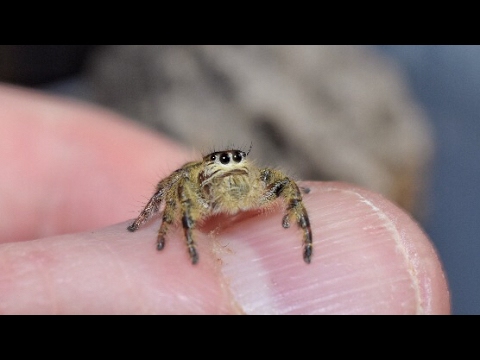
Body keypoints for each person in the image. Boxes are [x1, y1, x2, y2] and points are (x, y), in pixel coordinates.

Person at [0, 84, 450, 314]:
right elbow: (174, 185)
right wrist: (165, 231)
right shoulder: (194, 182)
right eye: (221, 164)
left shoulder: (257, 179)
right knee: (174, 186)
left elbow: (281, 180)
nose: (230, 171)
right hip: (193, 212)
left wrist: (301, 217)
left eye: (236, 163)